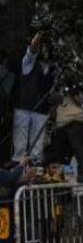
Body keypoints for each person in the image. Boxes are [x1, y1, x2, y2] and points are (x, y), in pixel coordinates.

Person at [10, 33, 55, 164]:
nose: (45, 50)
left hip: (41, 110)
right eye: (43, 47)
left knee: (37, 148)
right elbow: (32, 50)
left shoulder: (52, 69)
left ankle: (34, 170)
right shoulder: (28, 62)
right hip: (24, 107)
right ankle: (17, 169)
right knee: (20, 146)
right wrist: (38, 37)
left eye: (47, 47)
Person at [46, 85, 83, 181]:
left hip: (75, 121)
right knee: (58, 149)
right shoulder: (59, 87)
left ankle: (82, 172)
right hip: (61, 124)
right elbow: (51, 100)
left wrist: (73, 92)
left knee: (77, 146)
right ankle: (58, 174)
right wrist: (60, 92)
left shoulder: (80, 89)